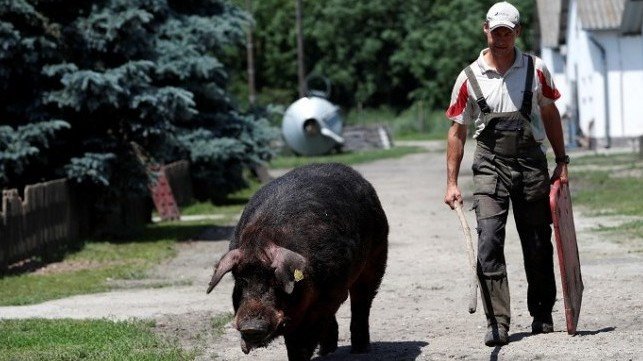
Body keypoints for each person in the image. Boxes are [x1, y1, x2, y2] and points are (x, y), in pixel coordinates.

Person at [443, 1, 569, 347]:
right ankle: (497, 321)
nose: (501, 38)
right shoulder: (468, 77)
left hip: (531, 164)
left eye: (507, 32)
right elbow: (457, 132)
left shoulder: (536, 69)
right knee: (489, 242)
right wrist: (452, 182)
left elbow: (550, 112)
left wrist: (561, 160)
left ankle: (542, 313)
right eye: (495, 31)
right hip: (490, 165)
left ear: (518, 33)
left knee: (538, 241)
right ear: (486, 30)